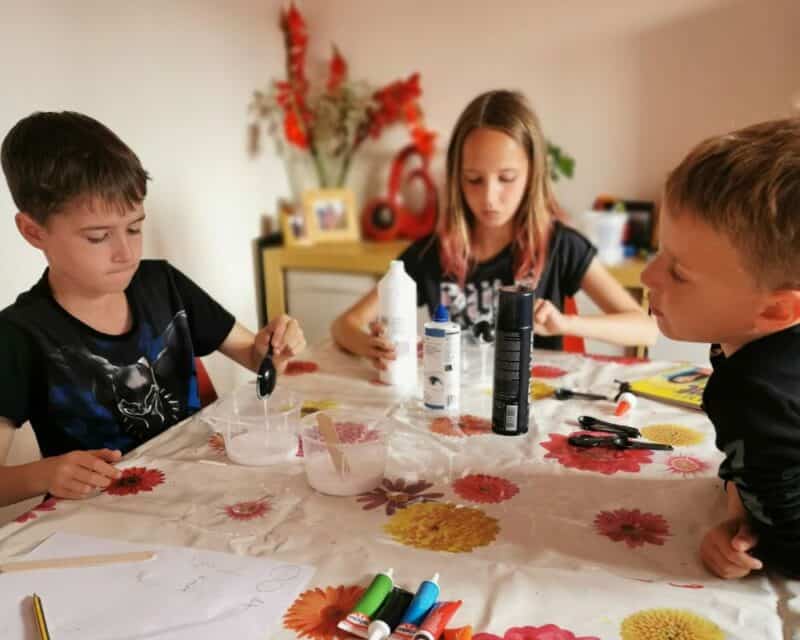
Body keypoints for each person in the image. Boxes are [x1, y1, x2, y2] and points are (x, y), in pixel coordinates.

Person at [0, 111, 306, 507]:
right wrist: (43, 474)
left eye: (134, 228)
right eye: (98, 237)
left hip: (205, 494)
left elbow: (255, 355)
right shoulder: (19, 335)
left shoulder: (161, 284)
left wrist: (276, 345)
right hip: (108, 518)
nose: (125, 253)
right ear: (33, 232)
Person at [332, 90, 656, 370]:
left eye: (506, 178)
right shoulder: (432, 252)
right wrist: (370, 346)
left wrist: (568, 324)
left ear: (532, 173)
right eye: (473, 179)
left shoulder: (560, 245)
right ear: (457, 178)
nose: (489, 198)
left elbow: (645, 329)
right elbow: (344, 325)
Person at [641, 117, 800, 579]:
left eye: (679, 272)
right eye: (660, 252)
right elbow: (757, 466)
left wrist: (752, 545)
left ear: (774, 311)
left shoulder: (750, 393)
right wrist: (743, 504)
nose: (649, 276)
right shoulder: (743, 341)